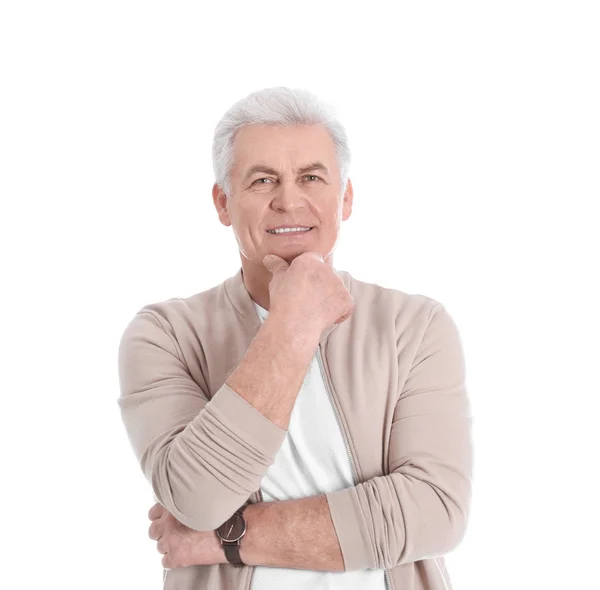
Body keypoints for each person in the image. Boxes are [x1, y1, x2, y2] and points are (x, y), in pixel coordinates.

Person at [117, 86, 473, 590]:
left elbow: (434, 511)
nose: (289, 200)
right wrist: (294, 322)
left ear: (344, 198)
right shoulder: (165, 334)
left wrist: (223, 540)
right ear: (223, 202)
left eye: (311, 177)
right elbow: (198, 498)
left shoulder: (413, 326)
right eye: (263, 181)